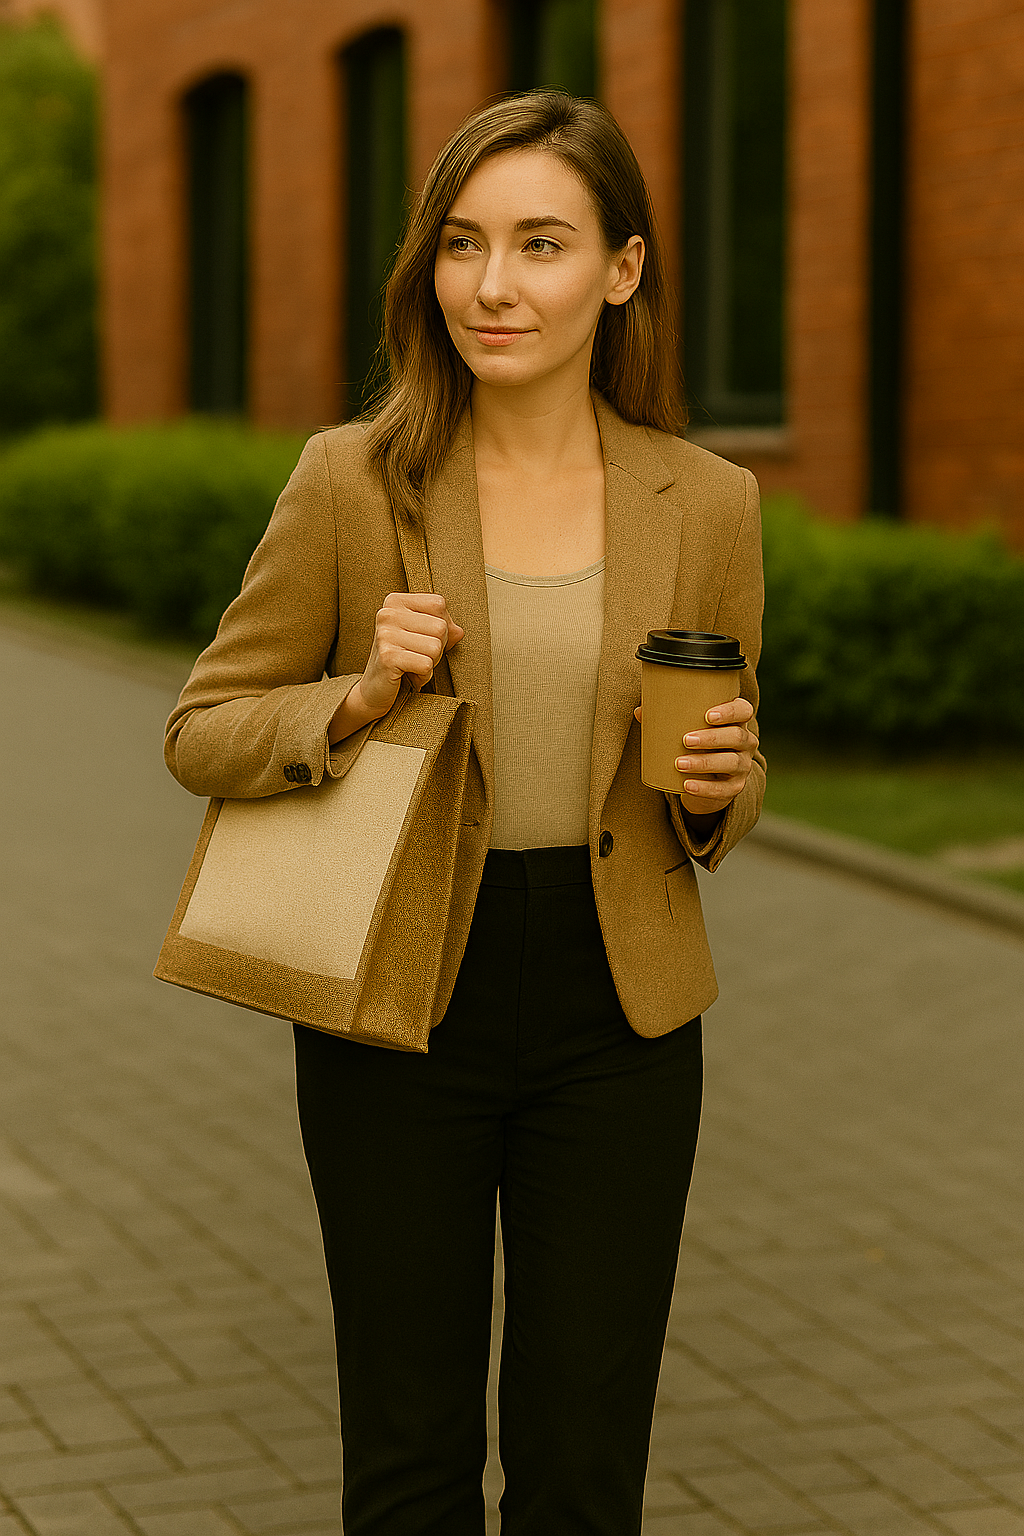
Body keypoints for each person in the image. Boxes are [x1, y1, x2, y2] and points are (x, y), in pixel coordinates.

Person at [165, 89, 765, 1536]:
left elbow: (723, 773)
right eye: (462, 244)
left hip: (621, 1009)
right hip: (400, 988)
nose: (493, 286)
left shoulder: (711, 501)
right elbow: (201, 731)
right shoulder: (351, 480)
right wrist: (359, 694)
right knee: (411, 1452)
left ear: (621, 268)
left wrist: (724, 793)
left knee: (583, 1462)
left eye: (542, 243)